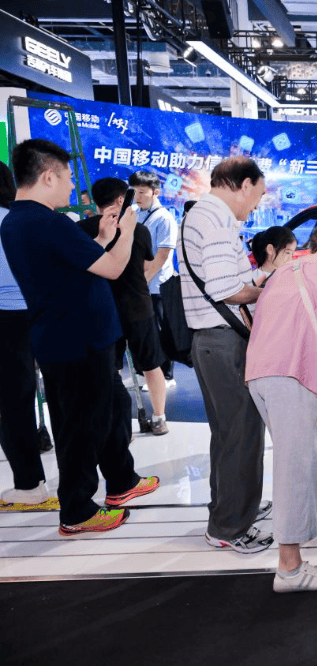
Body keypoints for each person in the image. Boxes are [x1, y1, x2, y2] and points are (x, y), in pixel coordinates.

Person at [0, 139, 159, 534]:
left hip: (76, 337)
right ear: (47, 176)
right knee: (81, 429)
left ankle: (120, 482)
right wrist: (127, 231)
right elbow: (113, 268)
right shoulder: (45, 221)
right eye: (68, 177)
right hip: (76, 341)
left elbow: (74, 264)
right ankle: (77, 511)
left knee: (107, 412)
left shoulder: (21, 220)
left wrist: (103, 237)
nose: (73, 185)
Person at [246, 221, 317, 593]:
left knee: (305, 449)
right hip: (293, 371)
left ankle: (310, 515)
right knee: (295, 464)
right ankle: (290, 569)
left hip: (260, 372)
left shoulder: (286, 270)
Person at [179, 156, 272, 554]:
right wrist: (271, 291)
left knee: (229, 433)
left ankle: (231, 508)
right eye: (258, 194)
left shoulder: (202, 215)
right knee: (241, 433)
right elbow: (226, 290)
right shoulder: (215, 220)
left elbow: (226, 282)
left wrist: (259, 280)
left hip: (213, 341)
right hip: (223, 342)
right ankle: (230, 526)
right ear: (244, 184)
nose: (257, 203)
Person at [78, 178, 170, 436]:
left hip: (102, 310)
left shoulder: (82, 229)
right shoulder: (139, 231)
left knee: (111, 368)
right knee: (151, 365)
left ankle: (115, 422)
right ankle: (159, 418)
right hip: (138, 306)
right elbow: (146, 264)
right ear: (121, 199)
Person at [0, 161, 47, 505]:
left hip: (5, 319)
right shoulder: (20, 219)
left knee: (11, 405)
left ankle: (30, 486)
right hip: (36, 313)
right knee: (21, 398)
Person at [129, 171, 178, 387]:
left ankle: (166, 376)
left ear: (155, 192)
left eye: (142, 192)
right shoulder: (134, 213)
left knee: (160, 332)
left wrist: (144, 280)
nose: (137, 196)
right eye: (133, 191)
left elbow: (163, 255)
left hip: (157, 286)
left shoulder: (164, 218)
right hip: (140, 285)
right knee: (141, 331)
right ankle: (141, 374)